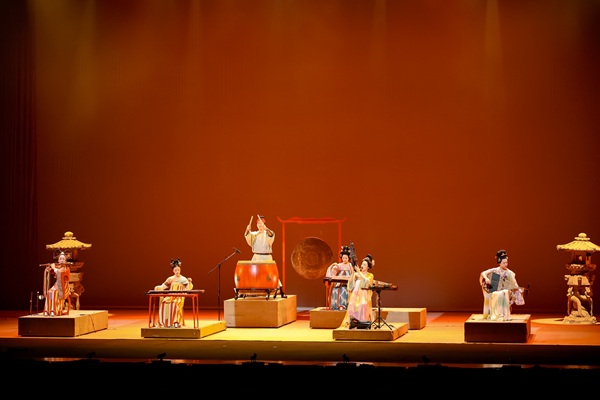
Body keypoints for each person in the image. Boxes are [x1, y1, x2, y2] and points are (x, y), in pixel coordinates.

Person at [243, 214, 284, 295]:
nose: (260, 225)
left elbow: (271, 235)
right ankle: (254, 292)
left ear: (264, 224)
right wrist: (247, 230)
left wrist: (266, 229)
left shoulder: (268, 232)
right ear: (256, 225)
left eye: (261, 224)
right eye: (258, 224)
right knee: (253, 274)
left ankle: (279, 290)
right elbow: (247, 235)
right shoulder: (255, 234)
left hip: (266, 257)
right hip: (256, 257)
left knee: (270, 273)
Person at [479, 249, 525, 321]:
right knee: (499, 293)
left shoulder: (509, 273)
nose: (506, 264)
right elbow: (483, 273)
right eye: (504, 263)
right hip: (495, 291)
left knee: (505, 292)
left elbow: (514, 284)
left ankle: (505, 315)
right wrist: (486, 278)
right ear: (499, 263)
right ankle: (497, 315)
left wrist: (518, 290)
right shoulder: (495, 270)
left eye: (506, 262)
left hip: (506, 292)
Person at [154, 258, 193, 328]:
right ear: (173, 271)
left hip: (179, 296)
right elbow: (163, 286)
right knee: (164, 302)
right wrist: (158, 287)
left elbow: (188, 289)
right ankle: (165, 322)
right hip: (171, 296)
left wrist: (189, 283)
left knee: (174, 304)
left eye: (178, 270)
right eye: (176, 270)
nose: (177, 271)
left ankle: (176, 322)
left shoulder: (184, 279)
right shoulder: (170, 279)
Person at [347, 255, 375, 328]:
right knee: (351, 304)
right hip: (356, 294)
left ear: (368, 267)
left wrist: (359, 272)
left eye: (364, 265)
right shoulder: (356, 274)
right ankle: (352, 322)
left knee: (363, 305)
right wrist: (353, 273)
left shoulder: (370, 275)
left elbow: (367, 282)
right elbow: (350, 285)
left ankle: (363, 322)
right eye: (362, 264)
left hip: (364, 295)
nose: (362, 266)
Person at [43, 251, 71, 316]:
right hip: (57, 285)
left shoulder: (66, 268)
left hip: (63, 286)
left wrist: (53, 267)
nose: (62, 260)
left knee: (54, 293)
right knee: (49, 292)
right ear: (58, 260)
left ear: (65, 261)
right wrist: (48, 268)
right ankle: (47, 310)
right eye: (60, 259)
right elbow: (51, 271)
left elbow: (59, 272)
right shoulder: (58, 267)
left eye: (63, 259)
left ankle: (54, 310)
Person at [325, 245, 353, 310]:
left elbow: (352, 273)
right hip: (340, 282)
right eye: (343, 258)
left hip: (348, 283)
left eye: (346, 258)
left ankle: (343, 306)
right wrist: (333, 266)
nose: (344, 259)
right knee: (335, 290)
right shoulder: (339, 265)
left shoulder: (350, 265)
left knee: (344, 290)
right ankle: (336, 306)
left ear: (348, 258)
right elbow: (333, 272)